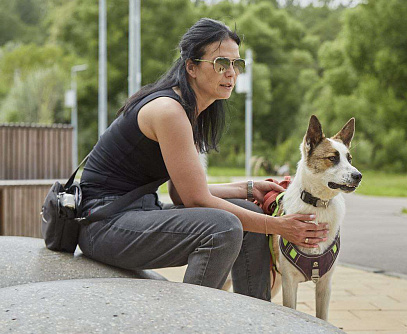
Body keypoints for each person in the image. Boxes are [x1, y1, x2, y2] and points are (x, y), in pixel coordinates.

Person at [78, 18, 329, 301]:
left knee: (249, 212)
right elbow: (196, 200)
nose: (231, 73)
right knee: (223, 228)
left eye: (237, 64)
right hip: (103, 225)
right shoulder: (168, 110)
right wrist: (280, 227)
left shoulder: (189, 109)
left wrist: (249, 189)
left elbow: (181, 192)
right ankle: (192, 320)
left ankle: (255, 316)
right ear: (191, 67)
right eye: (222, 63)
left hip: (138, 214)